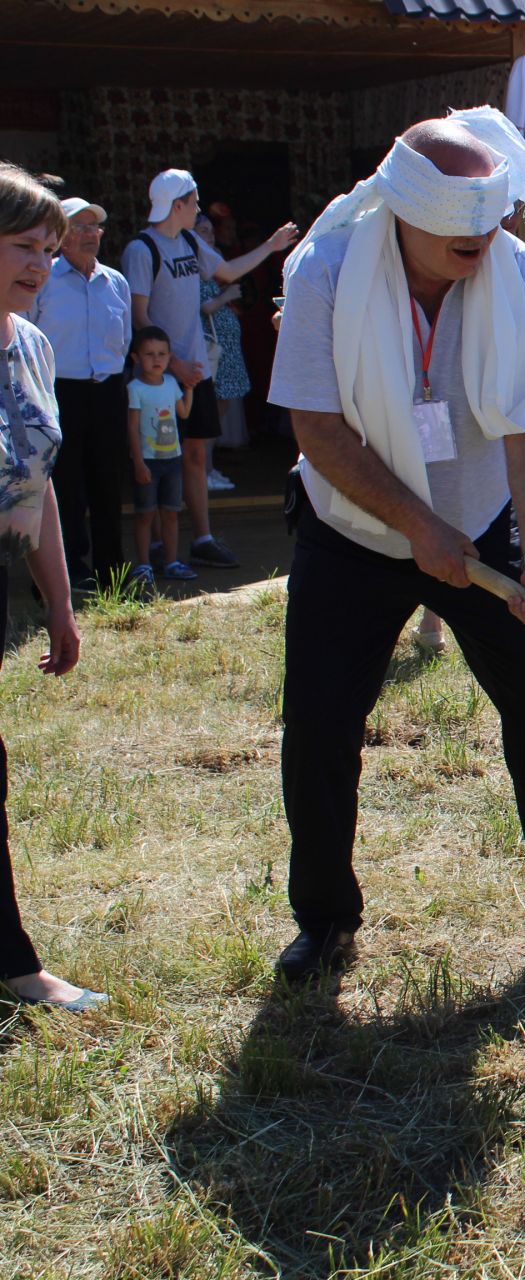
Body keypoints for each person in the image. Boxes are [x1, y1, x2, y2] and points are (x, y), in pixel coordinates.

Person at [267, 118, 525, 979]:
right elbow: (317, 428)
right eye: (457, 225)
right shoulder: (324, 271)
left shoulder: (524, 277)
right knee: (320, 722)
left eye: (490, 220)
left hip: (483, 521)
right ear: (402, 209)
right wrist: (415, 527)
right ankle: (325, 920)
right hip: (351, 528)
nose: (480, 238)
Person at [0, 165, 101, 1012]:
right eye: (22, 246)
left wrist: (60, 605)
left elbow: (39, 482)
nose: (39, 264)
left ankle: (11, 963)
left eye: (47, 247)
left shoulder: (31, 343)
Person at [123, 170, 298, 570]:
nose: (200, 209)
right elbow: (139, 314)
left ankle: (202, 537)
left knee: (197, 454)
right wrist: (173, 364)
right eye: (195, 201)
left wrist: (271, 247)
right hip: (161, 374)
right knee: (156, 457)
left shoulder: (188, 241)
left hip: (195, 370)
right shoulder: (141, 249)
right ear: (178, 204)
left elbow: (227, 273)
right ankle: (154, 549)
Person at [24, 194, 129, 592]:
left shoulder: (114, 281)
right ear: (62, 236)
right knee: (64, 486)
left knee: (106, 482)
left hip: (105, 391)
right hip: (57, 392)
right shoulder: (43, 276)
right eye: (80, 227)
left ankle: (110, 571)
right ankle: (64, 575)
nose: (90, 234)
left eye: (95, 227)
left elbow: (123, 343)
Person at [124, 326, 195, 586]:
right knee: (145, 513)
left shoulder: (172, 383)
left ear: (169, 356)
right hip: (148, 460)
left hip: (172, 460)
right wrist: (138, 461)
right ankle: (143, 564)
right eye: (149, 354)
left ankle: (171, 561)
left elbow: (184, 413)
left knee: (171, 512)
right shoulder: (135, 388)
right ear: (136, 358)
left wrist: (190, 388)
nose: (156, 359)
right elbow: (132, 427)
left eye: (162, 354)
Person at [195, 213, 251, 462]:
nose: (210, 235)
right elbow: (205, 306)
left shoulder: (211, 261)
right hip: (212, 347)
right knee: (212, 412)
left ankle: (209, 467)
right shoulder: (194, 264)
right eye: (203, 230)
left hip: (224, 348)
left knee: (220, 409)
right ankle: (204, 469)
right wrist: (227, 296)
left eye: (211, 230)